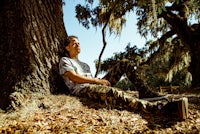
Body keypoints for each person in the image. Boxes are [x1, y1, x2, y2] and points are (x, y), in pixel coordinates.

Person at [59, 35, 188, 119]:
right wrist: (96, 81)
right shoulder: (65, 60)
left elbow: (92, 80)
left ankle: (144, 91)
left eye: (78, 42)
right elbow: (74, 77)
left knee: (124, 63)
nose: (77, 45)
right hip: (82, 90)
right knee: (113, 93)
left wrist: (98, 81)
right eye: (74, 43)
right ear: (67, 47)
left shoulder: (85, 64)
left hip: (93, 85)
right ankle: (161, 108)